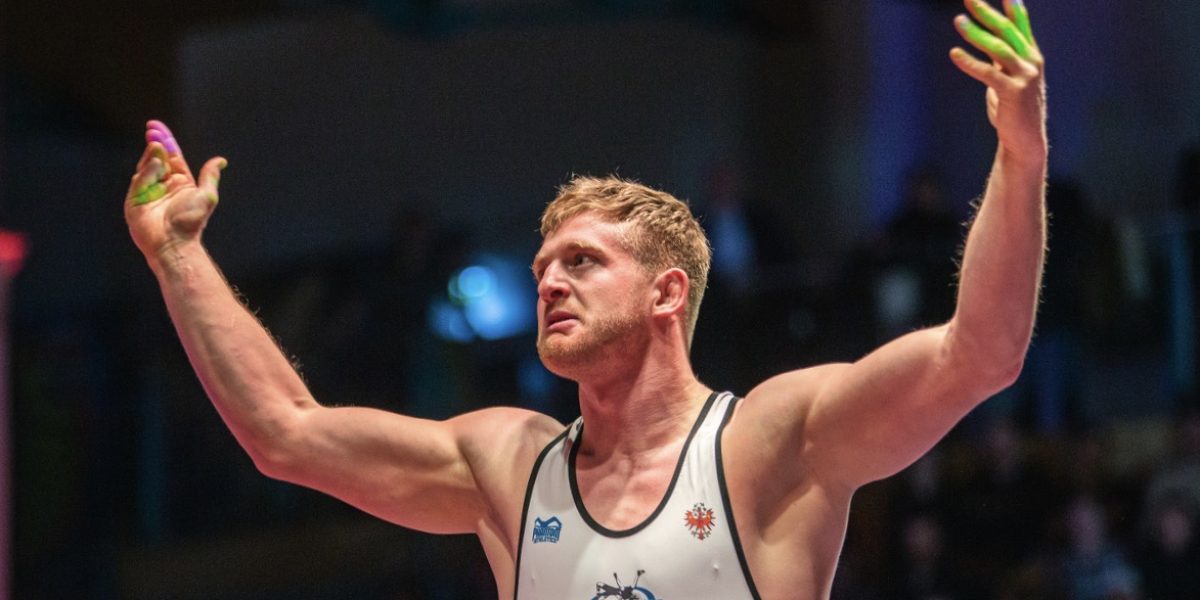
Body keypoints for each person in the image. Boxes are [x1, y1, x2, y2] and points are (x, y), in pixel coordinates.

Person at [122, 0, 1047, 597]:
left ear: (667, 292)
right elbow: (285, 434)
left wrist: (1019, 154)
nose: (549, 281)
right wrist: (178, 258)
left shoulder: (769, 443)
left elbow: (983, 354)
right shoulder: (509, 465)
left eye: (583, 261)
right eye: (542, 269)